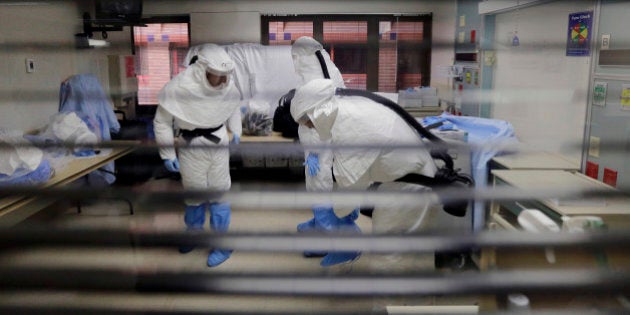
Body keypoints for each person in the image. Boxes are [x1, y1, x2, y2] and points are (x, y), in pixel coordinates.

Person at [291, 78, 449, 266]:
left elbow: (352, 183)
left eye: (309, 123)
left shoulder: (348, 123)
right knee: (411, 255)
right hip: (401, 182)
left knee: (390, 257)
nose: (310, 128)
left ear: (318, 113)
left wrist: (337, 212)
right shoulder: (348, 109)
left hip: (412, 188)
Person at [153, 43, 242, 267]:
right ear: (202, 70)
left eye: (226, 76)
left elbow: (232, 106)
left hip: (218, 143)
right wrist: (167, 154)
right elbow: (162, 122)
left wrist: (237, 131)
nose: (223, 82)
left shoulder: (225, 85)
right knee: (194, 196)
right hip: (191, 147)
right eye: (218, 76)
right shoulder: (179, 88)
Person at [290, 36, 361, 266]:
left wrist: (312, 152)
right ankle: (321, 234)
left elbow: (315, 122)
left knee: (321, 192)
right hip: (333, 145)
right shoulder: (329, 68)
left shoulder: (313, 78)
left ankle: (344, 247)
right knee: (329, 192)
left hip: (322, 148)